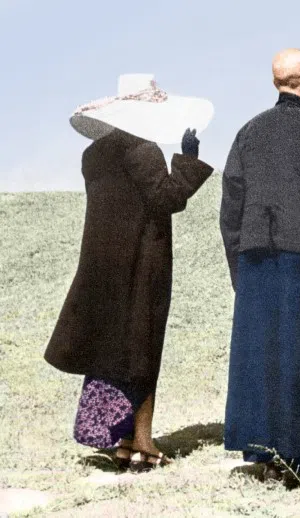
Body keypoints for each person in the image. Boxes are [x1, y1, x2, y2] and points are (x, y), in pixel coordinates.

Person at [44, 74, 215, 472]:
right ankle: (141, 441)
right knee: (143, 351)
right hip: (143, 265)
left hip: (104, 267)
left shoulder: (94, 155)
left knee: (115, 351)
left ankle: (124, 440)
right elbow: (167, 198)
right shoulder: (142, 149)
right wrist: (188, 159)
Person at [220, 48, 300, 484]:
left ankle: (259, 450)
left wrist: (239, 269)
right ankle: (296, 457)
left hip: (254, 259)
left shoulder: (248, 132)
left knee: (257, 355)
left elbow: (231, 208)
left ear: (276, 82)